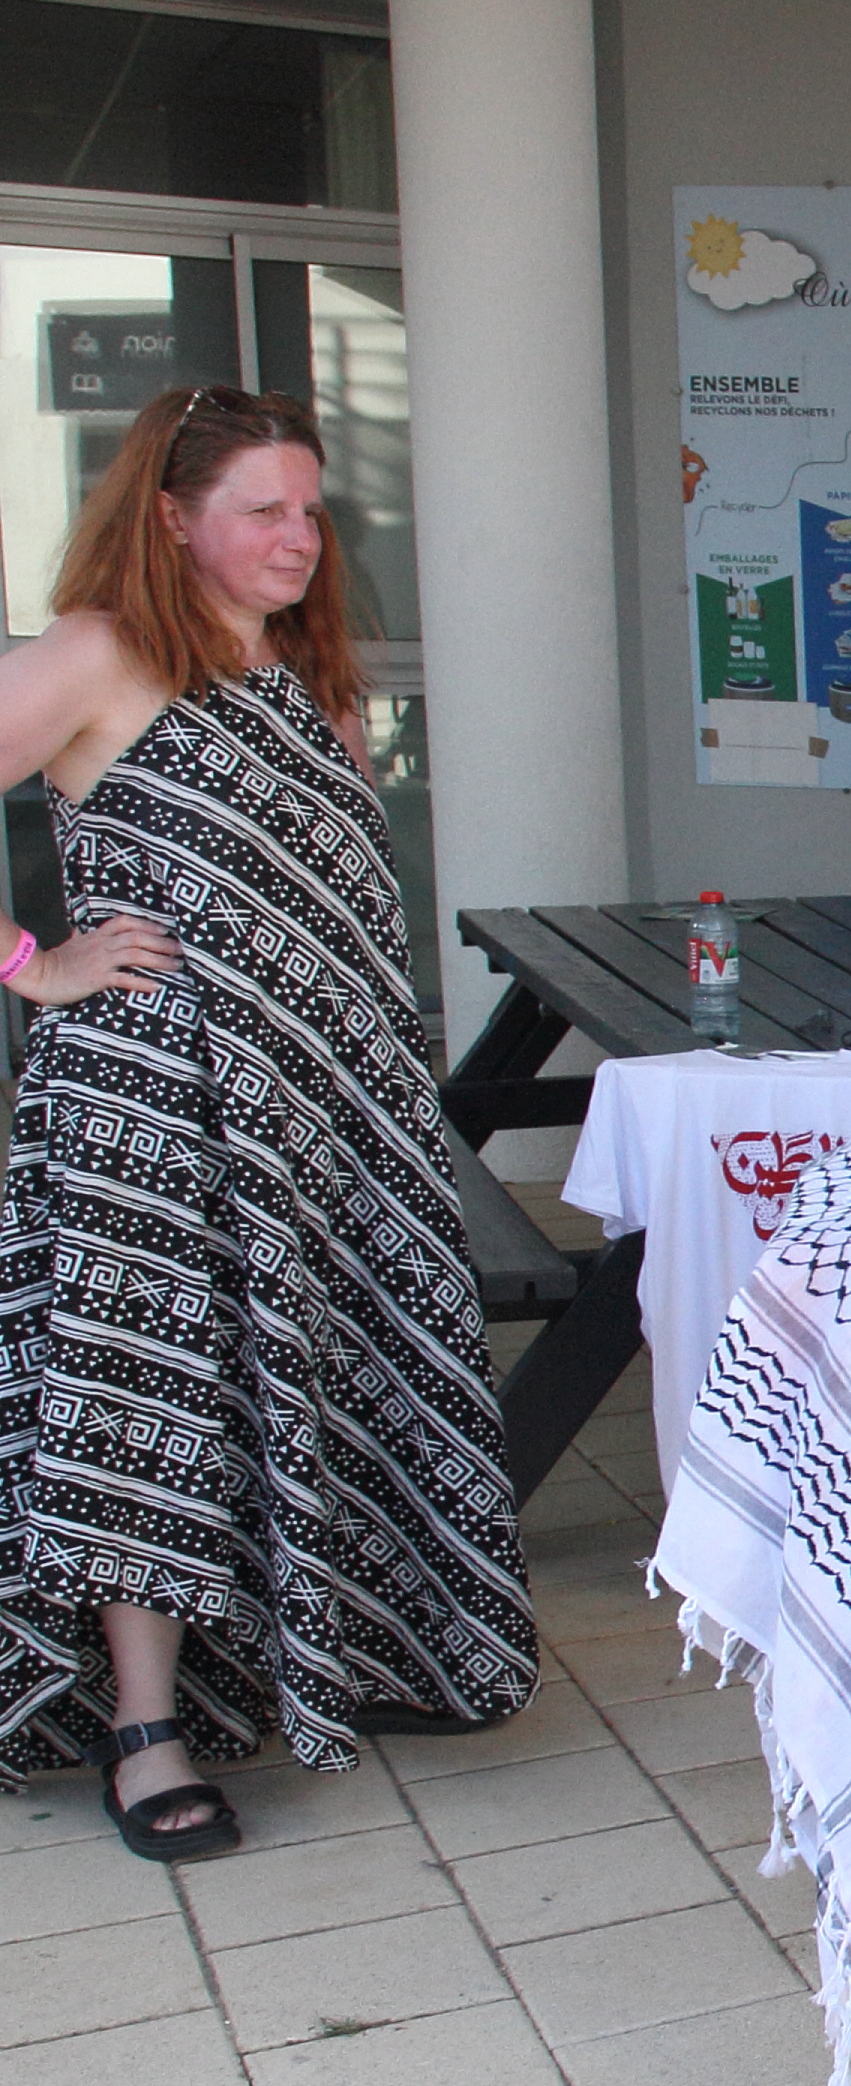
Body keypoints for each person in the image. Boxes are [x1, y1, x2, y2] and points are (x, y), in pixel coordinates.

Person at [0, 385, 536, 1863]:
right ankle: (143, 1731)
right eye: (262, 511)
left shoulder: (305, 668)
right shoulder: (100, 652)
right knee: (154, 1407)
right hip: (155, 1109)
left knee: (302, 1375)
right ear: (172, 516)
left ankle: (321, 1659)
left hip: (321, 1107)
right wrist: (33, 965)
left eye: (311, 510)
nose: (299, 538)